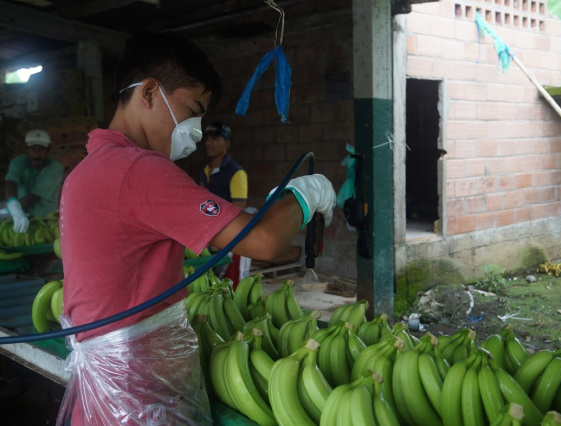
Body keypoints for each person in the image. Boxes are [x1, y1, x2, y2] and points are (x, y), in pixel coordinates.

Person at [57, 31, 335, 425]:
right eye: (193, 111)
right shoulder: (138, 169)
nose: (197, 132)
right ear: (149, 92)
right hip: (138, 389)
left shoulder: (87, 170)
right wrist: (308, 193)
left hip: (109, 387)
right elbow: (263, 240)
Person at [4, 129, 63, 232]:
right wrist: (13, 203)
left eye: (41, 149)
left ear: (48, 150)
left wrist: (13, 209)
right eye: (33, 148)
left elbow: (34, 197)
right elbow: (11, 182)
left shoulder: (55, 167)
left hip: (47, 219)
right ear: (26, 149)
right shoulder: (18, 163)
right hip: (21, 217)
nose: (37, 153)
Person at [201, 121, 248, 209]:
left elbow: (238, 209)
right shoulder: (205, 168)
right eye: (207, 139)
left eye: (214, 139)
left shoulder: (236, 172)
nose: (208, 143)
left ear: (227, 144)